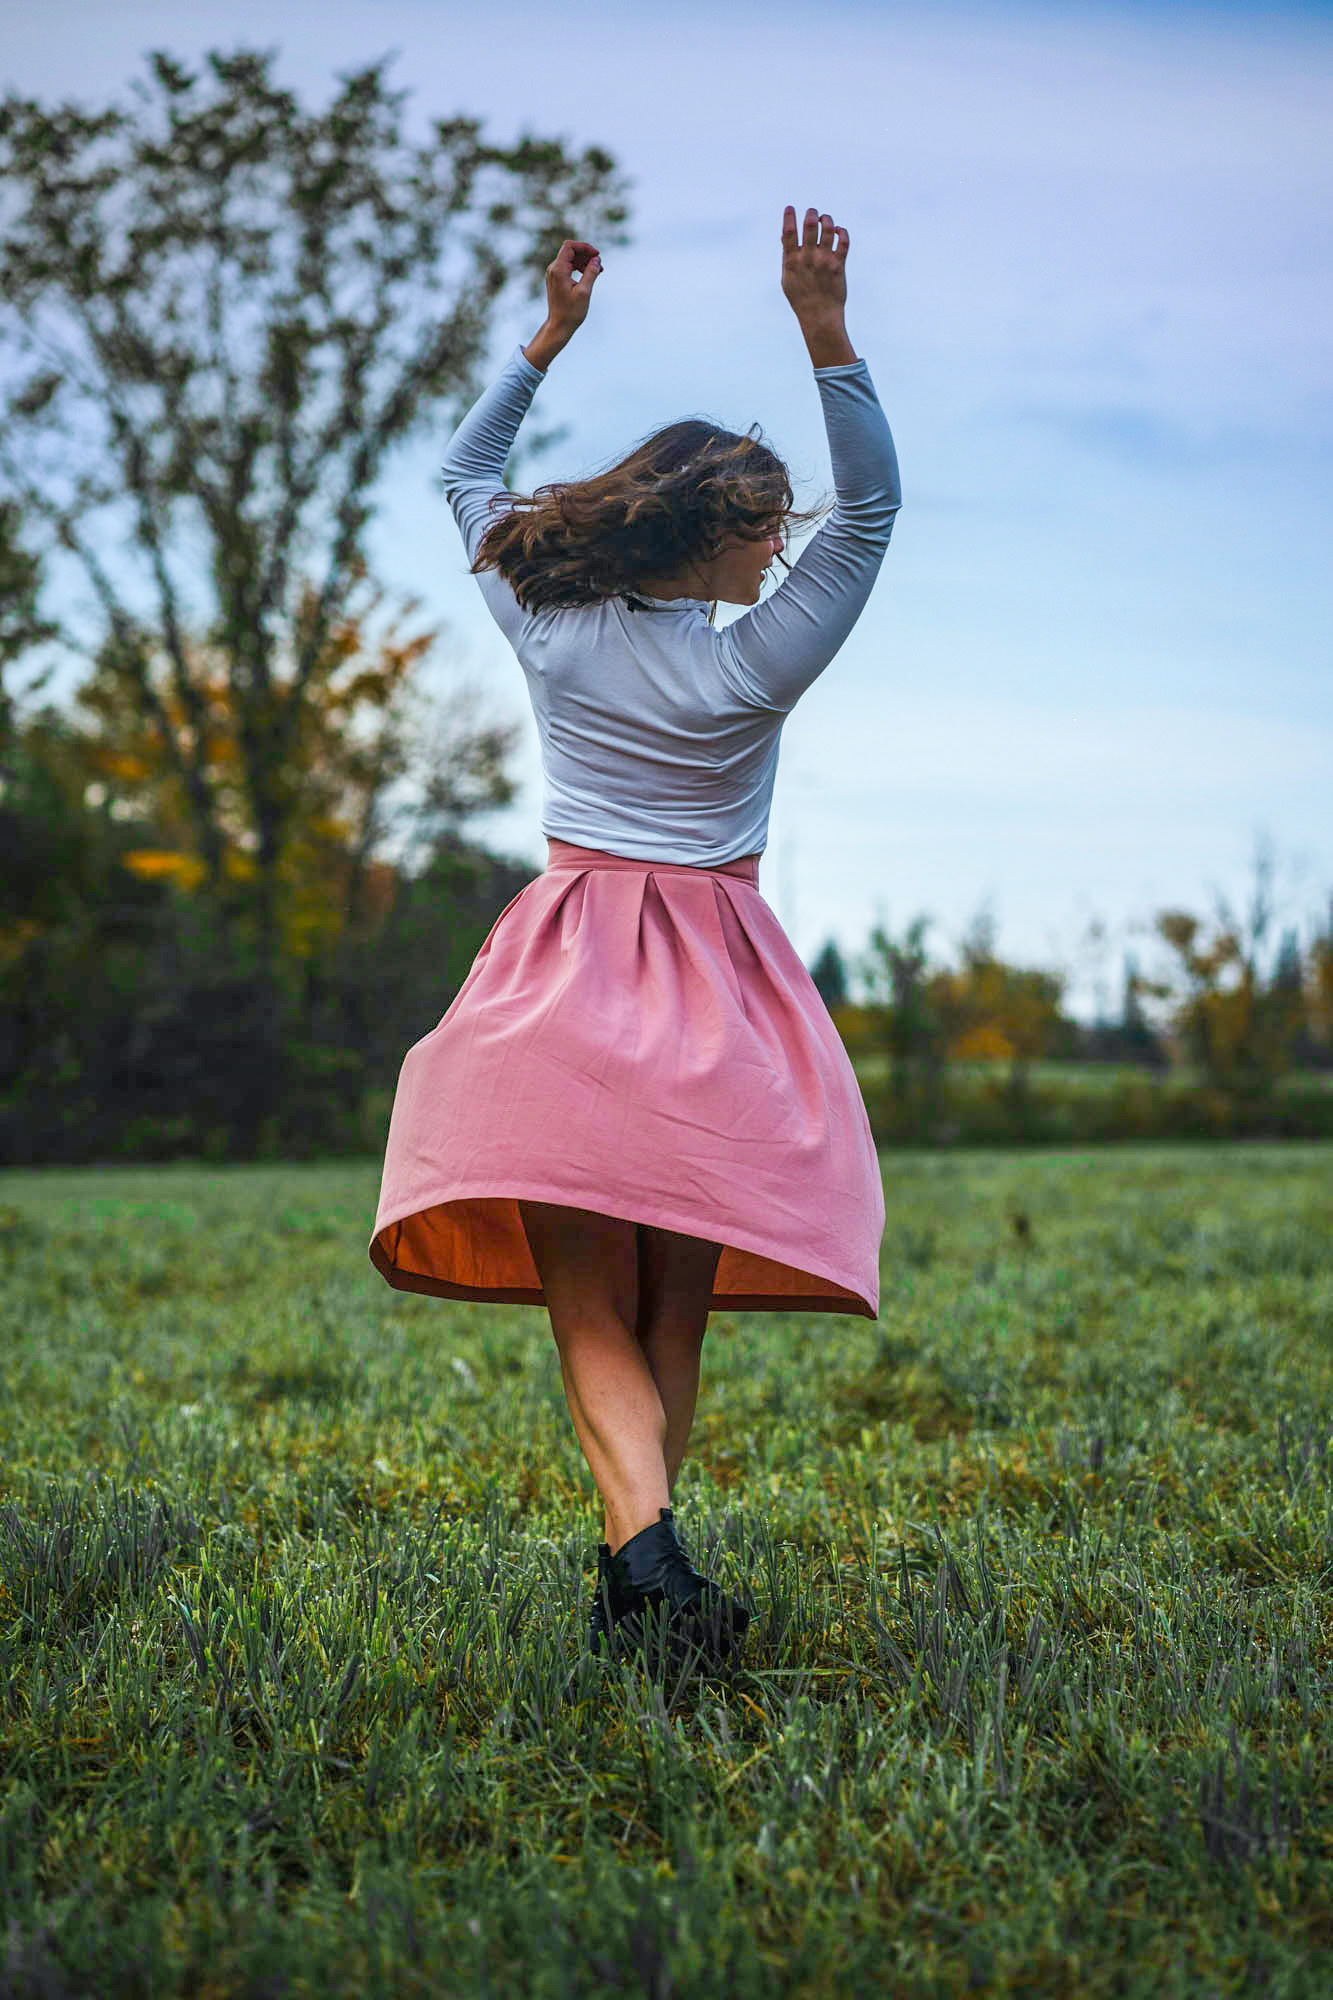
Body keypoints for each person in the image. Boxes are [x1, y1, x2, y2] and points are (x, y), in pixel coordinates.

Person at [370, 204, 902, 1675]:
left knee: (589, 1294)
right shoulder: (755, 667)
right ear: (709, 534)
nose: (779, 545)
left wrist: (547, 341)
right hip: (715, 1004)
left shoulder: (546, 623)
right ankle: (643, 1573)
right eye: (759, 528)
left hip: (559, 990)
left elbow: (465, 471)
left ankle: (642, 1570)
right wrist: (825, 334)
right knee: (674, 1299)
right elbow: (870, 517)